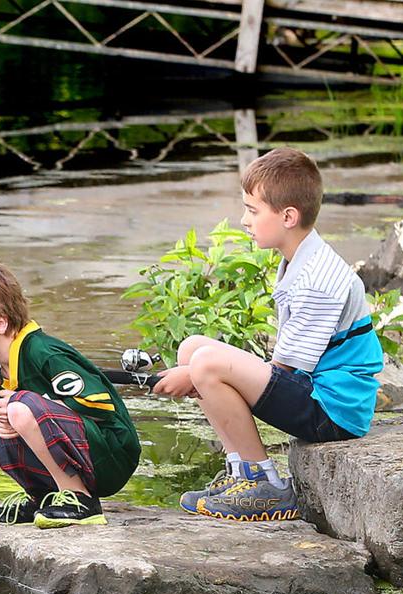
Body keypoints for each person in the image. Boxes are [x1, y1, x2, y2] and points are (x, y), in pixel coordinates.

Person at [152, 147, 384, 522]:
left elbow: (286, 371)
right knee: (192, 348)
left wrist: (195, 375)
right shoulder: (300, 259)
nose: (244, 220)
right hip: (316, 392)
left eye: (253, 210)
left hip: (333, 410)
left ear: (288, 216)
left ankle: (265, 485)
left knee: (205, 364)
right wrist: (193, 368)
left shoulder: (318, 281)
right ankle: (240, 472)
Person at [0, 263, 141, 527]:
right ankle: (43, 495)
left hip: (109, 456)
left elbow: (98, 406)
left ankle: (80, 500)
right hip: (72, 453)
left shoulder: (44, 352)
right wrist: (11, 415)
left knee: (19, 407)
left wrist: (26, 406)